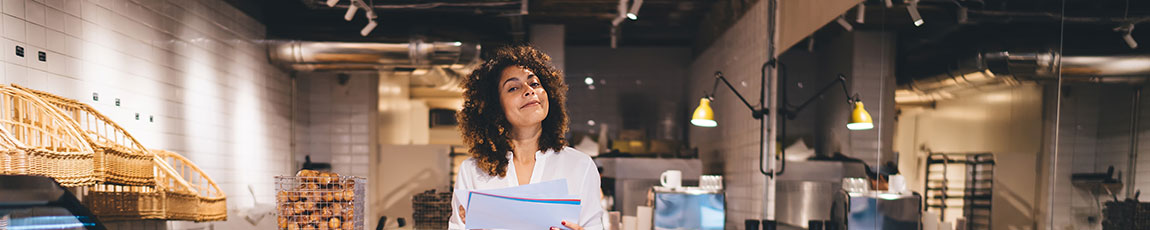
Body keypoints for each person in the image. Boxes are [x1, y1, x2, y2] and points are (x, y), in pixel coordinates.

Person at [449, 45, 603, 230]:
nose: (529, 90)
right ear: (494, 107)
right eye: (513, 88)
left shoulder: (580, 166)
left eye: (535, 83)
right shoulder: (472, 171)